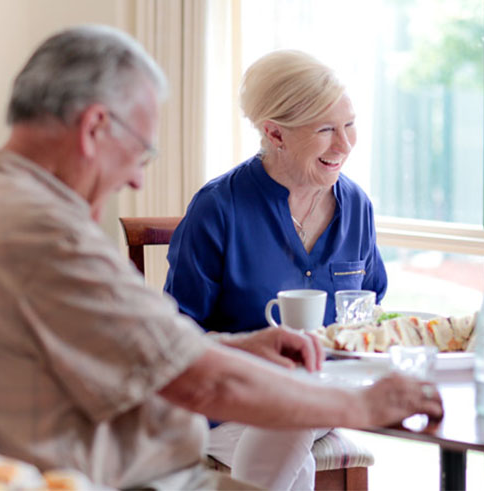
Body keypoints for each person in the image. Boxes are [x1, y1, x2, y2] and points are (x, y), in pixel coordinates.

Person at [0, 25, 442, 491]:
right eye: (142, 151)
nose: (138, 181)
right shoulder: (48, 235)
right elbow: (197, 383)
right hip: (117, 477)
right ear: (95, 127)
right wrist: (363, 409)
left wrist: (238, 347)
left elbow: (142, 350)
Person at [162, 49, 387, 489]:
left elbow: (372, 306)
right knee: (293, 431)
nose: (344, 144)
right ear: (275, 133)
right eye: (325, 130)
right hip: (229, 406)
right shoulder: (219, 208)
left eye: (349, 124)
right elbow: (178, 337)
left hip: (324, 395)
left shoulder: (356, 206)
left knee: (299, 407)